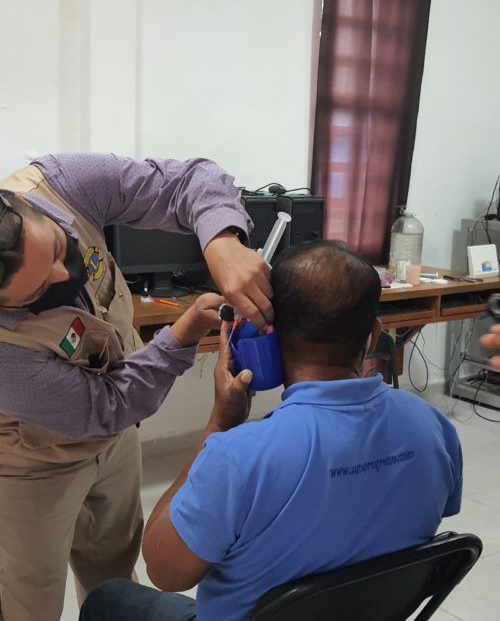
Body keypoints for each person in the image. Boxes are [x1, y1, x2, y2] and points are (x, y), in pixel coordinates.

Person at [79, 239, 463, 621]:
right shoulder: (433, 429)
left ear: (268, 334)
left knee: (109, 597)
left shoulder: (238, 456)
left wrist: (218, 424)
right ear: (374, 333)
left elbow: (164, 570)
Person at [0, 152, 273, 621]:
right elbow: (108, 405)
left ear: (25, 204)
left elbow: (189, 179)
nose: (64, 276)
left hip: (117, 439)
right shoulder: (7, 355)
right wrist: (182, 335)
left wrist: (222, 241)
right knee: (30, 601)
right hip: (31, 463)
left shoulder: (61, 184)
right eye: (39, 290)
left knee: (114, 580)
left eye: (59, 250)